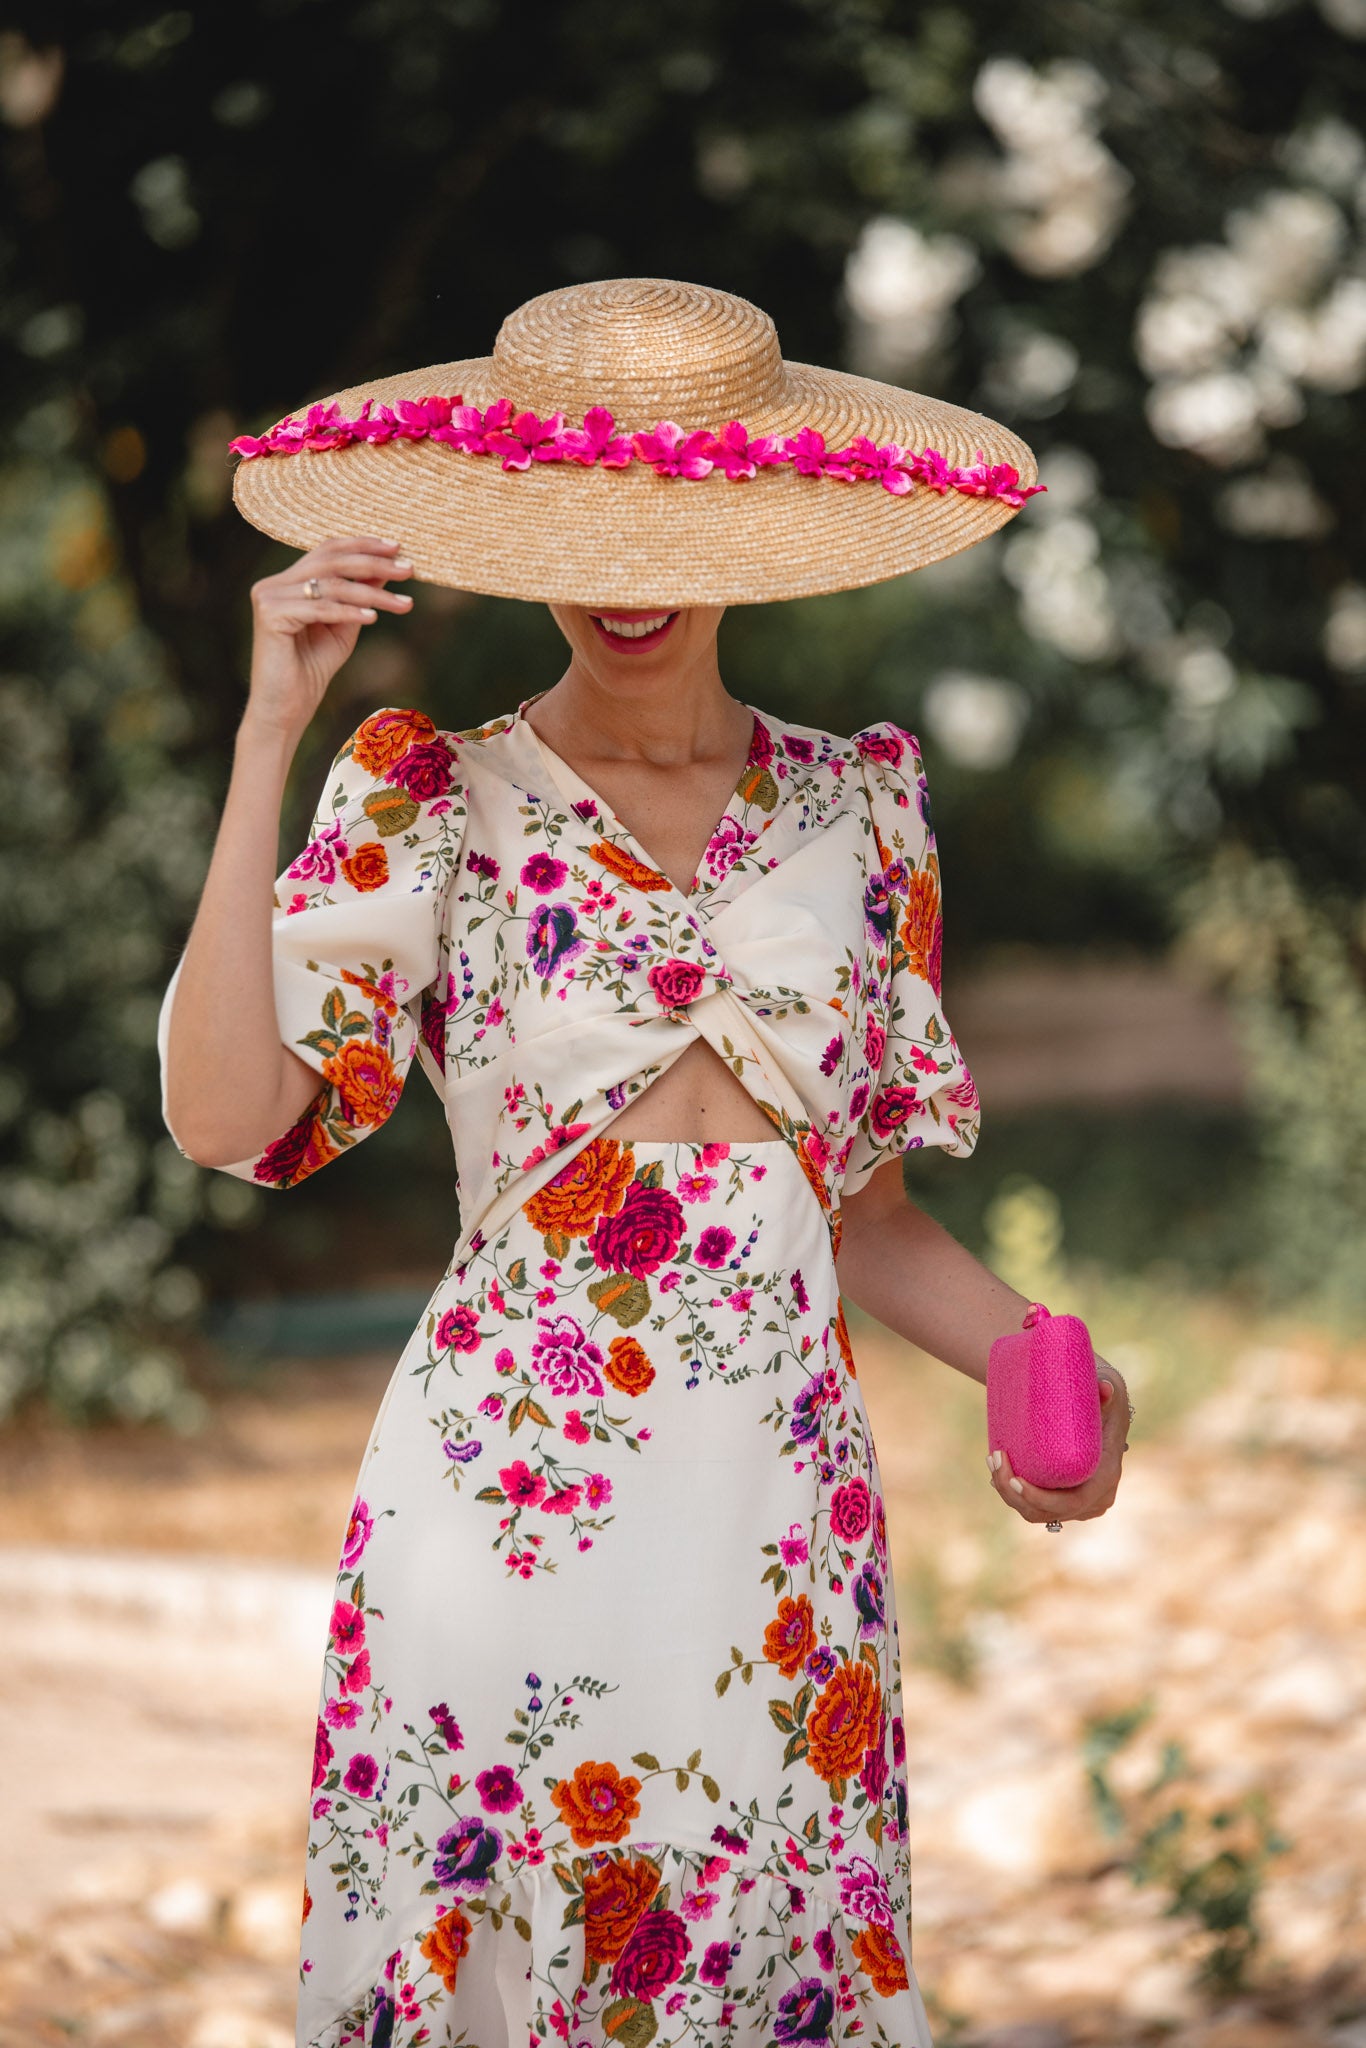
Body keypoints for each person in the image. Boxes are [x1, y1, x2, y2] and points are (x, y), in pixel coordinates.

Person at [159, 279, 1132, 2048]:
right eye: (585, 521)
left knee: (766, 1966)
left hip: (772, 1518)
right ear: (522, 522)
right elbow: (233, 1119)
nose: (627, 566)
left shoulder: (863, 809)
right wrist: (264, 743)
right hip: (497, 1503)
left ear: (749, 527)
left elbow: (871, 1216)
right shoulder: (428, 793)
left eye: (672, 517)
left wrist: (1040, 1364)